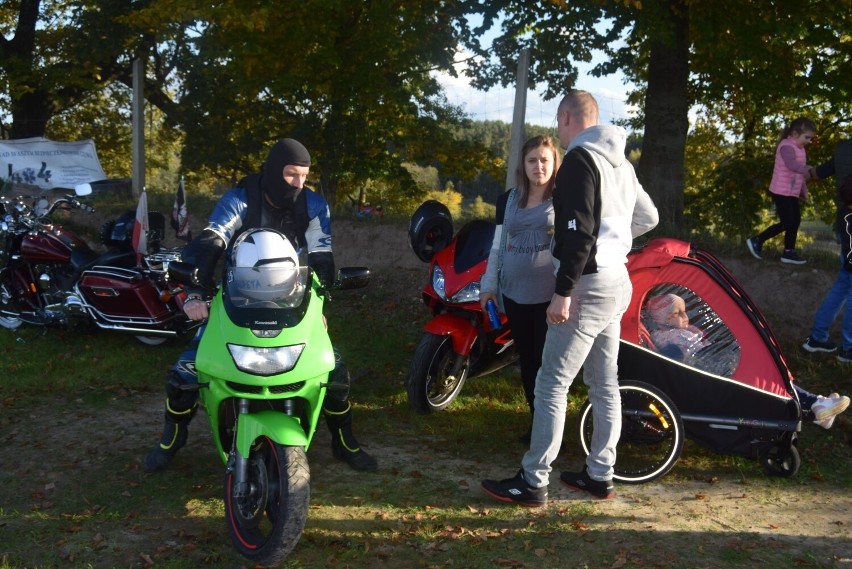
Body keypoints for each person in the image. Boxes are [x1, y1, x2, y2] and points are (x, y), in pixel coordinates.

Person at [144, 138, 378, 472]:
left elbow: (322, 255)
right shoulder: (239, 200)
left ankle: (344, 441)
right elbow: (212, 241)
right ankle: (171, 439)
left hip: (294, 296)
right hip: (236, 293)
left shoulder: (314, 206)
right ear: (271, 171)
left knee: (334, 371)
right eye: (290, 175)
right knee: (186, 370)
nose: (298, 184)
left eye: (303, 177)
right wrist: (195, 291)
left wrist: (321, 304)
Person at [480, 90, 659, 506]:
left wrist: (563, 291)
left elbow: (578, 231)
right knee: (604, 384)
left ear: (565, 118)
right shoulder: (620, 162)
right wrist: (614, 242)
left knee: (550, 385)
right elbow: (647, 217)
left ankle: (533, 480)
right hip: (617, 282)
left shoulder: (580, 159)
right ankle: (600, 474)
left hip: (586, 286)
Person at [645, 293, 849, 429]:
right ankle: (815, 405)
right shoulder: (666, 337)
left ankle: (816, 408)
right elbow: (679, 357)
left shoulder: (680, 332)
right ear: (661, 318)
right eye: (676, 313)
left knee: (771, 384)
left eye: (684, 310)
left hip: (718, 369)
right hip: (716, 375)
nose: (685, 316)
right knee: (768, 382)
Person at [479, 135, 561, 444]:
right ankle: (537, 424)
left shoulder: (564, 199)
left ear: (554, 164)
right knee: (528, 362)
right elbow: (498, 248)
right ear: (522, 165)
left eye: (545, 160)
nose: (538, 166)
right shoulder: (508, 200)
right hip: (514, 295)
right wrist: (489, 286)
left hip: (551, 299)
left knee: (547, 366)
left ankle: (551, 430)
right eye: (532, 160)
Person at [803, 139, 852, 360]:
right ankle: (848, 348)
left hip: (845, 220)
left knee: (842, 287)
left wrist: (806, 172)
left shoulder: (843, 148)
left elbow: (822, 171)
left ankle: (818, 337)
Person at [747, 117, 817, 265]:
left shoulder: (801, 149)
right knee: (787, 222)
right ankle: (757, 240)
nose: (809, 141)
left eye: (810, 138)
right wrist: (807, 169)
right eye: (807, 137)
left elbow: (799, 174)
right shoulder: (786, 146)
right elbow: (791, 165)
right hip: (780, 190)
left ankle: (788, 252)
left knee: (795, 221)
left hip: (791, 191)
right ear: (795, 133)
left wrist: (804, 190)